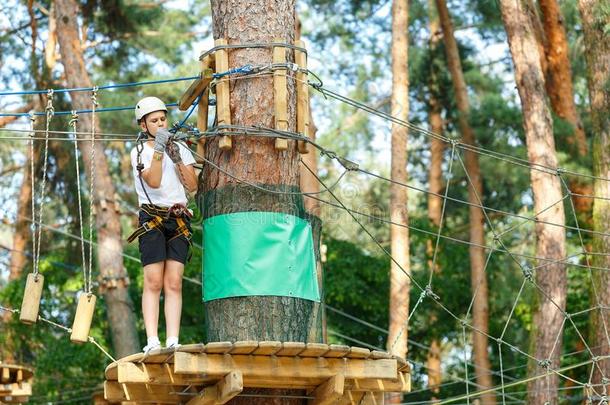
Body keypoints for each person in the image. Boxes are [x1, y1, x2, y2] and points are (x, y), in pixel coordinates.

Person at [128, 96, 198, 353]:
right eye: (154, 121)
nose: (160, 123)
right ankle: (152, 340)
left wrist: (177, 156)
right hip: (152, 219)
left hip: (178, 218)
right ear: (143, 126)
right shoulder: (138, 152)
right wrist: (158, 150)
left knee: (174, 281)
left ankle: (172, 340)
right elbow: (154, 182)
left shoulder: (178, 147)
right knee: (154, 280)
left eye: (162, 119)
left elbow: (192, 185)